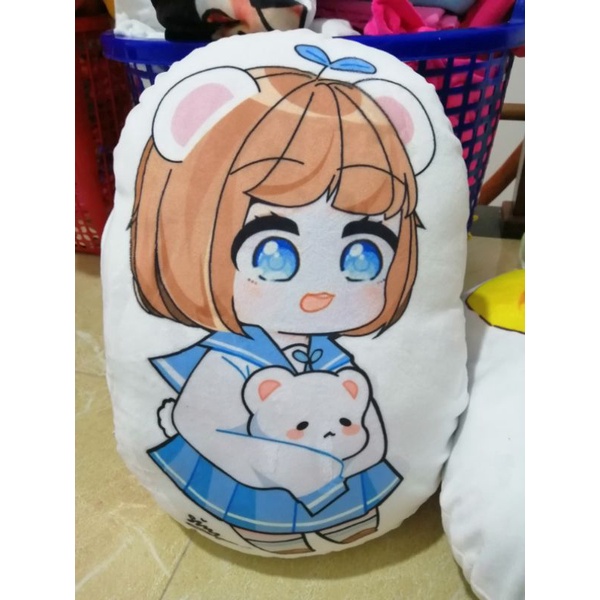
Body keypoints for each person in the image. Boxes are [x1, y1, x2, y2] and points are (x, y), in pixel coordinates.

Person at [129, 45, 433, 554]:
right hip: (245, 482)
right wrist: (271, 468)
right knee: (261, 510)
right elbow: (198, 424)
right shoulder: (230, 359)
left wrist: (357, 454)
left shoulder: (331, 358)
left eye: (362, 256)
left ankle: (337, 511)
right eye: (273, 253)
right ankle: (263, 523)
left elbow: (366, 420)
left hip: (332, 471)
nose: (321, 289)